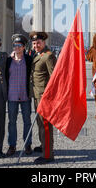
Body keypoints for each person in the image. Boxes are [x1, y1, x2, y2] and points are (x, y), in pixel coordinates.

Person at [29, 31, 57, 164]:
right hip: (36, 95)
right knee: (40, 124)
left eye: (38, 43)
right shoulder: (37, 54)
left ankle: (48, 155)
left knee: (45, 125)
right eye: (34, 43)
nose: (36, 45)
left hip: (44, 96)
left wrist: (50, 96)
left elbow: (54, 78)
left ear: (44, 42)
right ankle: (44, 146)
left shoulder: (48, 56)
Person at [5, 34, 33, 157]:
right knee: (12, 122)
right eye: (15, 45)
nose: (16, 47)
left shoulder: (29, 59)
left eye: (19, 45)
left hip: (25, 95)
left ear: (23, 47)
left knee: (27, 121)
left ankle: (27, 145)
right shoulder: (8, 60)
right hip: (12, 96)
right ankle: (12, 145)